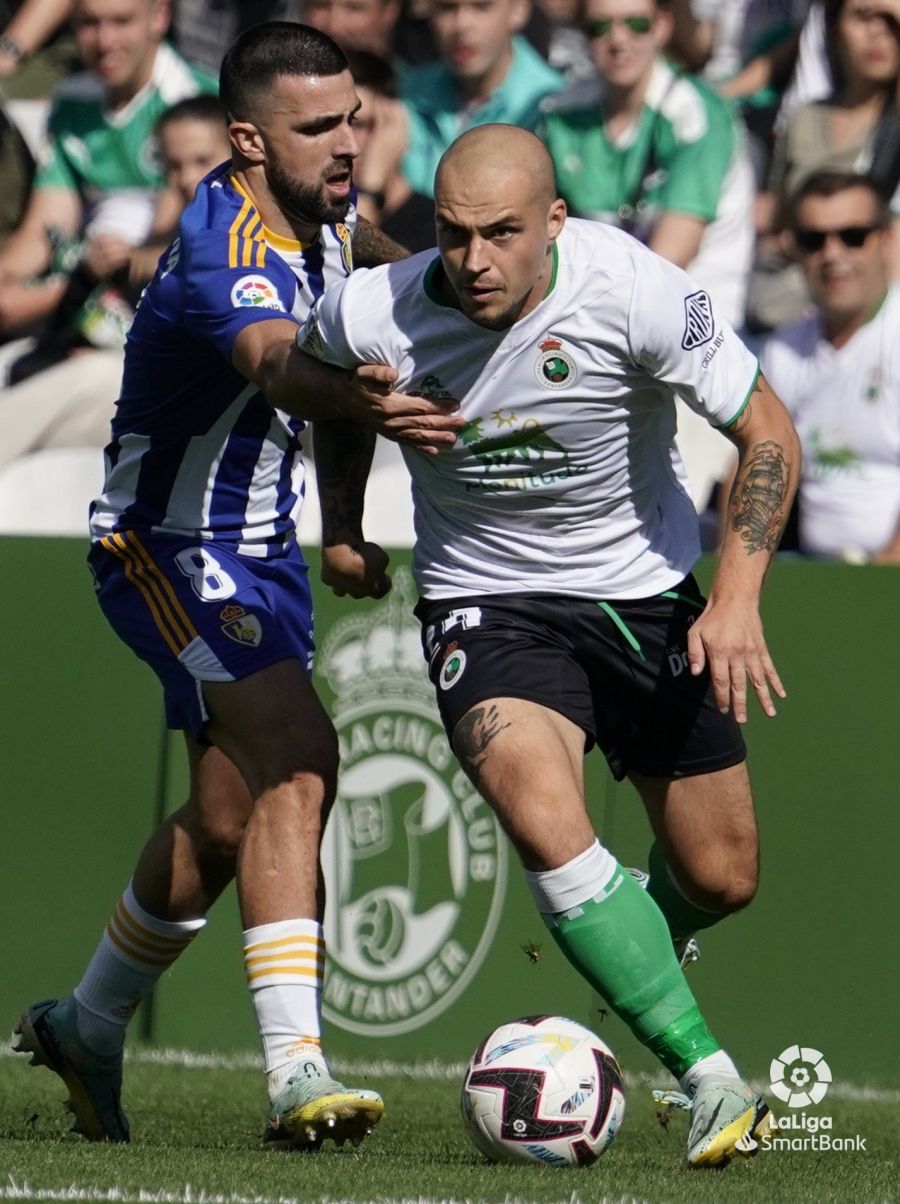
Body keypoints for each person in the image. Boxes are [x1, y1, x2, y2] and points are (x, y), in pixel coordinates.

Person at [298, 123, 802, 1168]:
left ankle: (635, 950)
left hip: (642, 596)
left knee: (722, 875)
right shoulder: (369, 307)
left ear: (557, 223)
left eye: (502, 233)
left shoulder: (635, 288)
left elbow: (769, 432)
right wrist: (343, 522)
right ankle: (710, 1079)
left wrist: (739, 596)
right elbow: (332, 394)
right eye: (452, 235)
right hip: (486, 602)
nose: (474, 260)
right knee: (543, 816)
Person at [13, 20, 461, 1150]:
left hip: (258, 548)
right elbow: (283, 367)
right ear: (251, 139)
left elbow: (374, 318)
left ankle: (87, 1021)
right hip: (162, 545)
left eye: (353, 117)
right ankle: (298, 1071)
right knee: (304, 754)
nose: (347, 143)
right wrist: (379, 411)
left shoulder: (331, 215)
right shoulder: (228, 247)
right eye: (319, 128)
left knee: (223, 820)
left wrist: (348, 523)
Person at [0, 0, 215, 345]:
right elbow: (43, 229)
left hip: (163, 314)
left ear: (159, 15)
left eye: (121, 21)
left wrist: (79, 284)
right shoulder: (72, 103)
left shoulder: (201, 102)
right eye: (89, 23)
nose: (104, 40)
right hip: (84, 301)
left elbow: (176, 246)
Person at [762, 169, 900, 561]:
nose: (833, 253)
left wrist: (883, 575)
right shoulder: (783, 349)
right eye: (814, 240)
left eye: (852, 236)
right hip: (813, 568)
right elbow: (754, 464)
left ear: (887, 238)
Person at [399, 0, 565, 200]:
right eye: (447, 7)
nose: (461, 24)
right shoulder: (406, 93)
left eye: (481, 6)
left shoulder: (556, 107)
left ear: (519, 10)